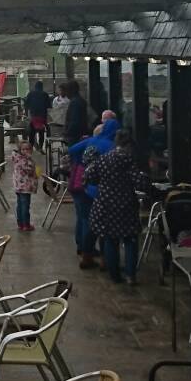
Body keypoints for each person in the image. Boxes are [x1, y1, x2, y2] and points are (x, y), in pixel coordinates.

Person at [84, 130, 145, 283]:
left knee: (110, 239)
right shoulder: (129, 160)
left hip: (105, 204)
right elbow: (139, 182)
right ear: (128, 144)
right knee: (130, 239)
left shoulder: (103, 159)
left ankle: (114, 275)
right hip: (126, 205)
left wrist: (103, 183)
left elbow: (90, 177)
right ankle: (131, 275)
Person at [66, 111, 120, 269]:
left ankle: (85, 253)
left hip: (85, 185)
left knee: (85, 220)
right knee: (104, 226)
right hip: (103, 189)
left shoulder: (91, 141)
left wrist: (80, 162)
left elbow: (71, 150)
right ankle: (106, 260)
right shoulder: (112, 147)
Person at [11, 135, 40, 232]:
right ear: (20, 150)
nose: (26, 151)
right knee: (25, 206)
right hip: (25, 186)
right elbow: (29, 170)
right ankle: (26, 224)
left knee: (20, 204)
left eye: (28, 149)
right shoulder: (24, 160)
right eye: (23, 149)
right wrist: (31, 160)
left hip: (18, 186)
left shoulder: (17, 158)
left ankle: (20, 223)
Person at [25, 80, 52, 146]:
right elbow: (49, 106)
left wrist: (27, 114)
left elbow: (26, 105)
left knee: (32, 132)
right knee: (42, 131)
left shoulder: (30, 93)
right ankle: (41, 145)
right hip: (42, 117)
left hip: (33, 116)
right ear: (42, 87)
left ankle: (31, 145)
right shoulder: (45, 94)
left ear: (35, 87)